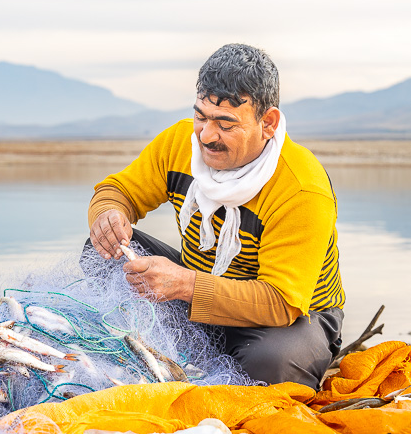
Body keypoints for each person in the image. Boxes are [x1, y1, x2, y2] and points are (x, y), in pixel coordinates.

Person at [87, 43, 344, 389]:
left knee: (272, 366)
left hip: (291, 318)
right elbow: (119, 190)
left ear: (267, 123)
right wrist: (109, 213)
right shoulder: (179, 143)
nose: (207, 136)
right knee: (100, 250)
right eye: (201, 116)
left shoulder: (302, 188)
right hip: (198, 287)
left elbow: (281, 303)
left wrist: (183, 284)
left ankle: (198, 349)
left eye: (225, 124)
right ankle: (197, 346)